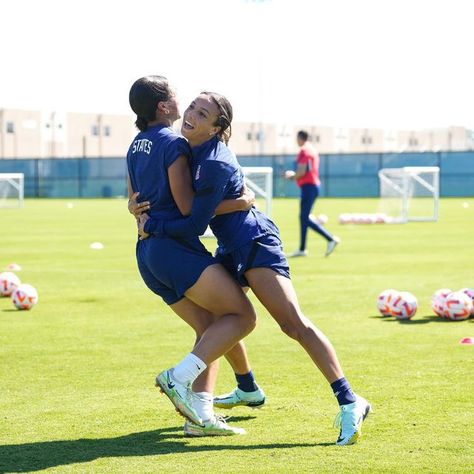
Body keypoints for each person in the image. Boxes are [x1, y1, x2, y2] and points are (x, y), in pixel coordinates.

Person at [135, 91, 371, 446]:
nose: (192, 115)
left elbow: (195, 222)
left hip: (254, 242)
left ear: (217, 128)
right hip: (231, 246)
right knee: (219, 321)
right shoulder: (190, 151)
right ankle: (223, 401)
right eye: (192, 108)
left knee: (293, 324)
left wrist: (153, 226)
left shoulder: (213, 161)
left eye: (204, 113)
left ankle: (350, 401)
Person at [126, 76, 258, 435]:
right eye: (179, 100)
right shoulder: (174, 144)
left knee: (209, 328)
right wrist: (240, 202)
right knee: (241, 316)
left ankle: (201, 417)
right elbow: (189, 213)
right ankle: (176, 378)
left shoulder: (136, 144)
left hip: (147, 255)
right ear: (165, 107)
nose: (185, 107)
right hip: (174, 251)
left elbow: (133, 202)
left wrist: (141, 217)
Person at [284, 130, 340, 258]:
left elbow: (302, 171)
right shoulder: (312, 149)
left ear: (300, 138)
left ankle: (330, 239)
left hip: (309, 187)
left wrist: (291, 176)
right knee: (303, 218)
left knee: (304, 218)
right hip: (312, 186)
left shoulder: (304, 150)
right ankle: (302, 249)